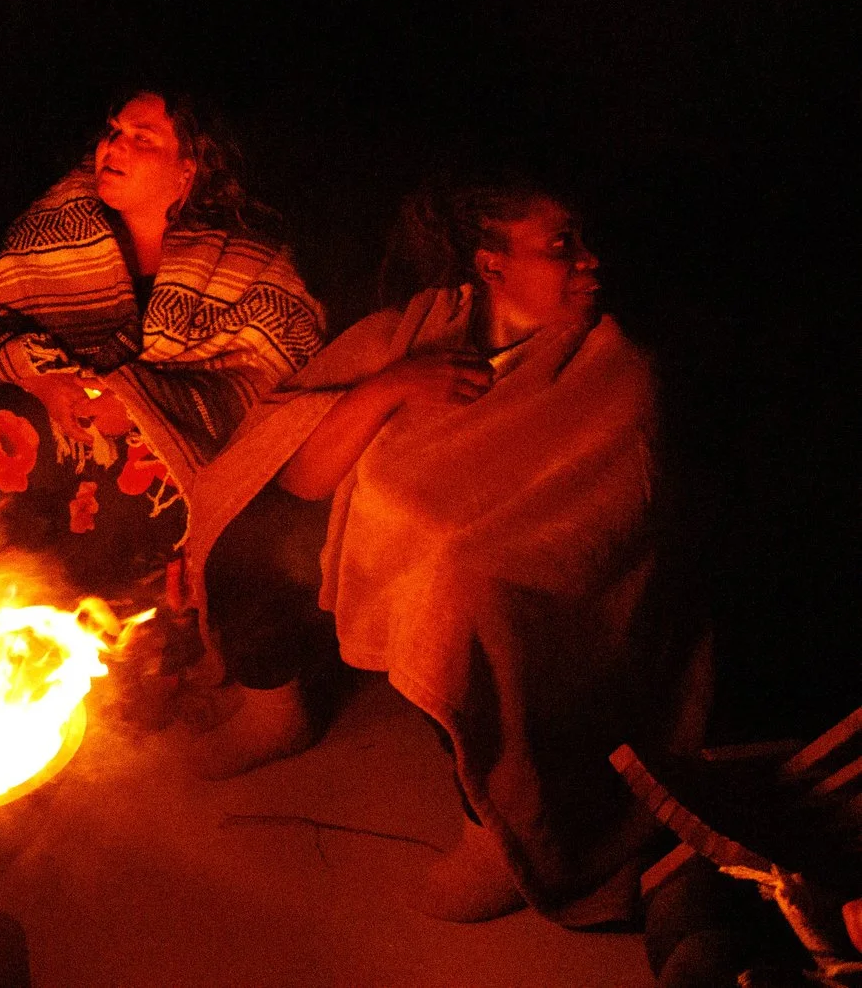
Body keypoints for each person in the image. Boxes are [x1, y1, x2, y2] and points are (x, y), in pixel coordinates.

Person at [179, 177, 704, 926]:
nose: (590, 261)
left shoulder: (618, 370)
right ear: (491, 264)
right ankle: (277, 709)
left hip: (473, 584)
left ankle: (499, 832)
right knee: (255, 512)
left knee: (467, 609)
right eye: (563, 245)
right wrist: (389, 388)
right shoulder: (418, 326)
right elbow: (298, 467)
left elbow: (607, 531)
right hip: (376, 550)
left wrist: (461, 565)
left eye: (586, 242)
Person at [0, 91, 324, 599]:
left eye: (141, 139)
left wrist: (138, 407)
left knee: (167, 485)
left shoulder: (242, 254)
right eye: (112, 131)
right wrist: (42, 383)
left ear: (186, 171)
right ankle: (7, 591)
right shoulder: (58, 227)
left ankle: (144, 611)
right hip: (70, 429)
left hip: (178, 443)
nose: (113, 148)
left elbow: (276, 364)